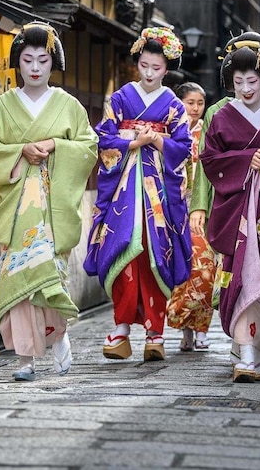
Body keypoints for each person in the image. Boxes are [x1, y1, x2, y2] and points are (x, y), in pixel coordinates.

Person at [0, 22, 98, 382]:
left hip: (49, 209)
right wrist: (20, 150)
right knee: (17, 281)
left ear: (52, 63)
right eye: (27, 59)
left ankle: (58, 335)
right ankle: (25, 359)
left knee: (49, 279)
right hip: (17, 212)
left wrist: (55, 146)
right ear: (18, 62)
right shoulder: (2, 106)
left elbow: (89, 147)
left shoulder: (69, 105)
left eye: (42, 60)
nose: (34, 67)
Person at [84, 27, 192, 362]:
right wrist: (133, 142)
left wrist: (157, 141)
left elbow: (183, 146)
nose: (148, 73)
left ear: (167, 68)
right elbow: (104, 138)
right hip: (124, 189)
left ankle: (155, 331)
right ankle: (121, 328)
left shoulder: (174, 105)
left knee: (153, 254)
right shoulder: (118, 98)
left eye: (156, 68)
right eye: (144, 65)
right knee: (122, 251)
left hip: (157, 189)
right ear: (137, 63)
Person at [201, 31, 260, 383]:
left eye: (252, 80)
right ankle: (246, 352)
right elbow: (210, 160)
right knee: (240, 276)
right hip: (239, 214)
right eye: (238, 80)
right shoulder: (223, 116)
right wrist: (247, 160)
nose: (245, 87)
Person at [166, 82, 217, 352]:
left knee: (206, 268)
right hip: (175, 208)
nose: (195, 109)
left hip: (202, 208)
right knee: (181, 270)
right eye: (190, 103)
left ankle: (201, 328)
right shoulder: (170, 132)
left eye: (199, 103)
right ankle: (185, 328)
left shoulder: (208, 133)